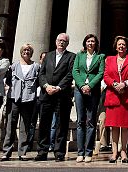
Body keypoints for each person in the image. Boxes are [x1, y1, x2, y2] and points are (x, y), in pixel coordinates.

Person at [36, 32, 75, 162]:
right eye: (59, 40)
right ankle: (42, 151)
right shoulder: (48, 56)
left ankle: (59, 152)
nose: (61, 42)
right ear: (56, 41)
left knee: (61, 125)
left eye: (64, 41)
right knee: (44, 124)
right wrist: (46, 86)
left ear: (67, 43)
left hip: (61, 95)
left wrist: (58, 87)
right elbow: (41, 74)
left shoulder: (71, 57)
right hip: (46, 94)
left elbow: (70, 74)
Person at [104, 36, 128, 163]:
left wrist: (125, 83)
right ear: (116, 46)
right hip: (113, 96)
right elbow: (106, 75)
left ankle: (123, 151)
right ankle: (114, 153)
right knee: (114, 126)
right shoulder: (109, 59)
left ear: (126, 46)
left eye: (123, 44)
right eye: (119, 44)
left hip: (127, 95)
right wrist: (114, 84)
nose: (121, 46)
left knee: (125, 126)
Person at [1, 43, 40, 161]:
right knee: (10, 125)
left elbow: (38, 81)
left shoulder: (36, 66)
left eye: (28, 50)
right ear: (21, 52)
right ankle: (6, 151)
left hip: (28, 98)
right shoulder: (14, 66)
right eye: (24, 50)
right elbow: (8, 81)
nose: (26, 52)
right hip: (14, 98)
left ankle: (22, 152)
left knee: (25, 126)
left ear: (31, 53)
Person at [73, 34, 105, 163]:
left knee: (91, 121)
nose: (90, 43)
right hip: (79, 90)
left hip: (93, 91)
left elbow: (100, 73)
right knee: (81, 121)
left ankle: (88, 152)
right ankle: (80, 152)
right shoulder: (79, 55)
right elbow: (75, 71)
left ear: (96, 44)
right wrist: (82, 85)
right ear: (85, 43)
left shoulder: (100, 57)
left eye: (92, 41)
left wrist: (90, 86)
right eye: (88, 41)